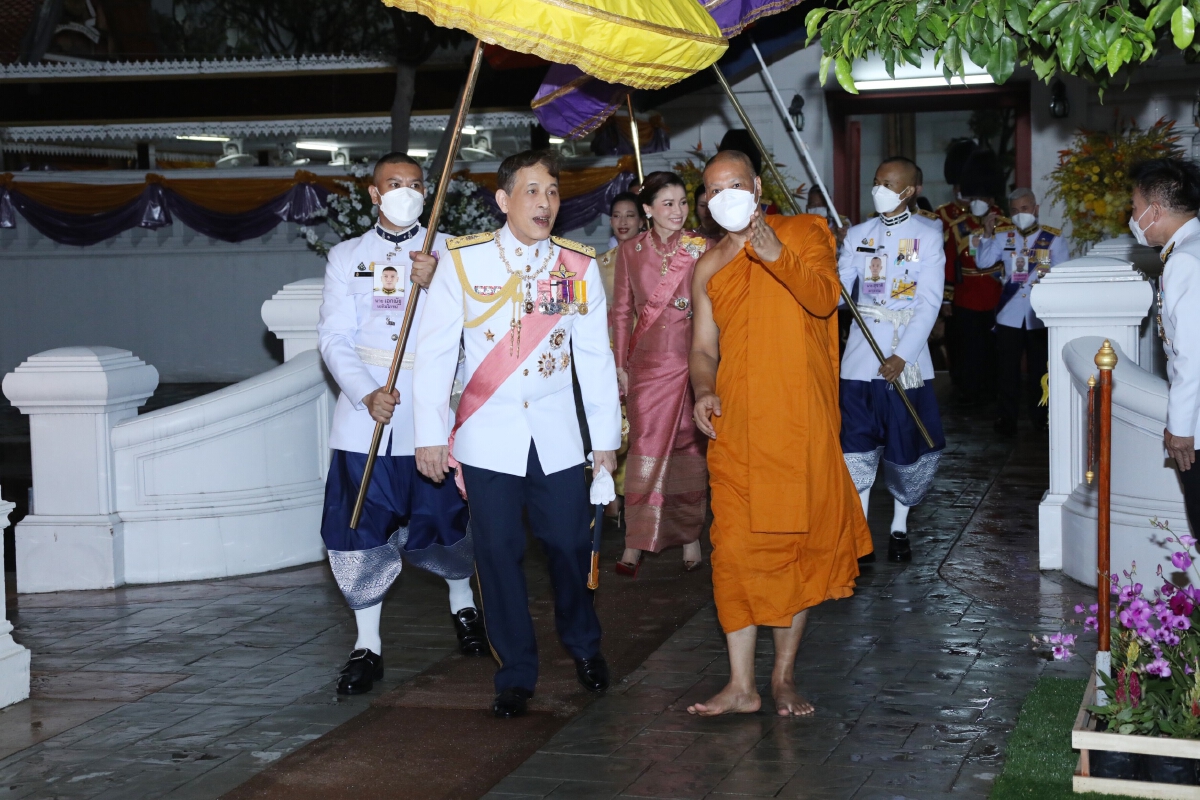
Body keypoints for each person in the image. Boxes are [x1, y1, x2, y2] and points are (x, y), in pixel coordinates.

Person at [412, 149, 622, 719]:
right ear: (504, 201)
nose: (544, 203)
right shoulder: (464, 262)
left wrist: (605, 440)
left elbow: (595, 357)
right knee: (498, 554)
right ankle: (515, 673)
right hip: (488, 434)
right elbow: (433, 355)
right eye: (531, 191)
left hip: (555, 433)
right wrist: (430, 434)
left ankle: (583, 643)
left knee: (570, 545)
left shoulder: (577, 267)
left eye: (552, 191)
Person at [687, 150, 872, 717]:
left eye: (735, 185)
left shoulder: (805, 232)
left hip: (798, 423)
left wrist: (773, 254)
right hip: (737, 426)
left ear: (758, 186)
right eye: (714, 191)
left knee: (794, 549)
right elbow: (701, 349)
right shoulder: (708, 264)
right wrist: (703, 391)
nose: (726, 197)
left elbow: (824, 300)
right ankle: (740, 685)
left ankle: (784, 677)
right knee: (735, 550)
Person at [317, 152, 485, 697]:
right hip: (366, 415)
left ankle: (464, 608)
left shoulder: (450, 254)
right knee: (360, 527)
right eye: (394, 184)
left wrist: (434, 283)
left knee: (445, 517)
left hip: (428, 413)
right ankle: (368, 645)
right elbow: (334, 337)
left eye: (415, 184)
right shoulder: (346, 256)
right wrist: (365, 393)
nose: (405, 192)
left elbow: (467, 329)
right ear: (373, 193)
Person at [838, 157, 947, 563]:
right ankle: (861, 531)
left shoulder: (928, 236)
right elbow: (837, 294)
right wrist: (825, 264)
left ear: (909, 191)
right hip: (860, 358)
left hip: (906, 355)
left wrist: (903, 355)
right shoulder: (858, 234)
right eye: (875, 181)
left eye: (887, 183)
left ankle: (899, 526)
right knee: (857, 443)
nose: (878, 189)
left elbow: (929, 300)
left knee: (905, 442)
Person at [611, 171, 710, 574]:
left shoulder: (701, 246)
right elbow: (620, 312)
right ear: (648, 209)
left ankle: (689, 536)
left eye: (683, 203)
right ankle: (635, 541)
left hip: (692, 364)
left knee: (689, 450)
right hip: (647, 366)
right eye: (667, 204)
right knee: (644, 450)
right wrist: (619, 364)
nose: (678, 211)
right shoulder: (630, 251)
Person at [1130, 159, 1200, 534]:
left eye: (1135, 206)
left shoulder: (1186, 261)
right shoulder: (1190, 249)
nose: (1133, 215)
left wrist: (1182, 427)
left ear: (1155, 211)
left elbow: (1193, 353)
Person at [977, 188, 1068, 436]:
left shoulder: (1053, 238)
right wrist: (986, 234)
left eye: (1025, 209)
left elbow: (1063, 274)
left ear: (1035, 209)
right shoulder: (1003, 236)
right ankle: (1006, 419)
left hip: (1039, 314)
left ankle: (1042, 418)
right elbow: (983, 263)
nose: (1020, 214)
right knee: (1007, 371)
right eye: (1015, 210)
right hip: (1010, 315)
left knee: (1041, 370)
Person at [945, 150, 1006, 408]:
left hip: (995, 295)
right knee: (968, 349)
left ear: (991, 197)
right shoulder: (958, 227)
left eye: (983, 196)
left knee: (994, 349)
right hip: (966, 295)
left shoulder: (1005, 224)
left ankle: (993, 390)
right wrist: (947, 299)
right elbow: (949, 265)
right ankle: (969, 391)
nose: (978, 201)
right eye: (975, 196)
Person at [598, 191, 641, 525]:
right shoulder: (600, 265)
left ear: (642, 219)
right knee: (618, 424)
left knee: (645, 426)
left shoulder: (656, 261)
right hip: (612, 354)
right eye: (617, 215)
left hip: (649, 353)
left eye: (630, 215)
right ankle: (612, 494)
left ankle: (641, 497)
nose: (623, 222)